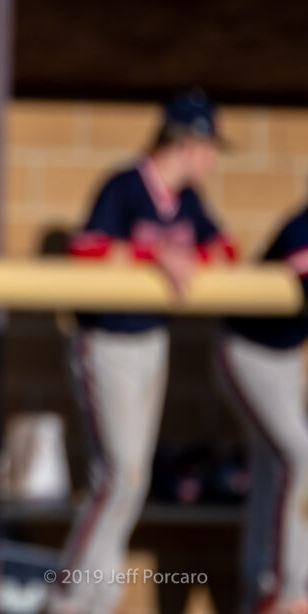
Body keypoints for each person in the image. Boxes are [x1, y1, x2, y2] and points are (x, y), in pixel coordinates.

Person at [49, 90, 236, 614]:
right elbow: (86, 250)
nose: (213, 158)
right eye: (209, 146)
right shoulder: (126, 184)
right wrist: (155, 255)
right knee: (121, 476)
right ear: (185, 142)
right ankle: (66, 596)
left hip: (152, 341)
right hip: (105, 342)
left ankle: (98, 596)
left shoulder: (189, 199)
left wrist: (181, 254)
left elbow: (227, 248)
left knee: (130, 478)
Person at [218, 200, 308, 614]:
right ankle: (284, 589)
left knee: (273, 466)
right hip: (249, 352)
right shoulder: (301, 226)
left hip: (285, 356)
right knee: (297, 457)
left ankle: (259, 586)